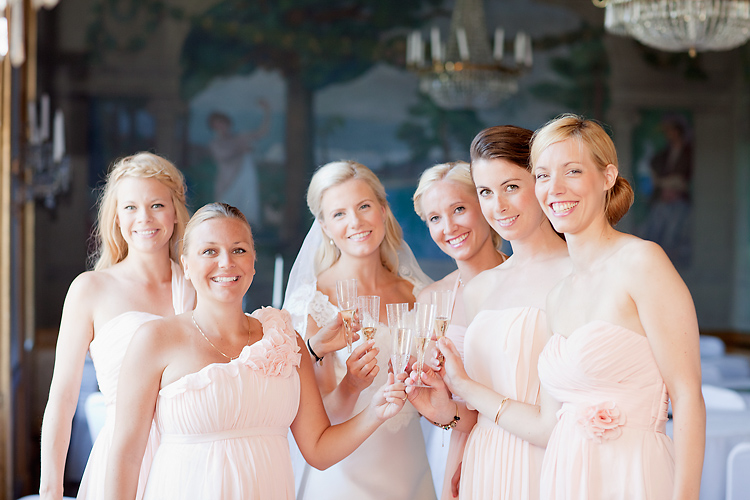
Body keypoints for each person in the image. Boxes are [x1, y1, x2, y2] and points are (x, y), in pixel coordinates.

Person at [105, 203, 409, 499]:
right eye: (209, 251)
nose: (226, 262)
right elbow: (126, 456)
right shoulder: (155, 339)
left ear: (253, 262)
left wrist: (375, 412)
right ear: (186, 264)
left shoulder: (286, 339)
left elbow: (318, 449)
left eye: (238, 250)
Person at [531, 114, 705, 499]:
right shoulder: (556, 295)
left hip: (634, 476)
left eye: (572, 171)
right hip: (566, 478)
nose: (554, 188)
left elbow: (688, 395)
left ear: (607, 177)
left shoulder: (642, 262)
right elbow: (547, 422)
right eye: (542, 175)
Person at [408, 126, 570, 500]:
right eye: (486, 193)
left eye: (511, 186)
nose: (498, 205)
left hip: (545, 461)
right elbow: (476, 408)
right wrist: (441, 408)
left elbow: (558, 417)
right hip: (484, 459)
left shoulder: (575, 274)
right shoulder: (481, 290)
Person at [39, 152, 194, 500]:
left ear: (174, 210)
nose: (144, 218)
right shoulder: (90, 290)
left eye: (156, 205)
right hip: (120, 465)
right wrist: (51, 489)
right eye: (130, 208)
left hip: (190, 459)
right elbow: (62, 398)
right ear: (116, 217)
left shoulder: (199, 286)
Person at [283, 160, 436, 500]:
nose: (355, 222)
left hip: (412, 468)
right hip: (345, 476)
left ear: (383, 210)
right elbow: (316, 420)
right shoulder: (312, 303)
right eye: (339, 214)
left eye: (364, 206)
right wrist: (351, 385)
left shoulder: (418, 291)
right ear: (324, 226)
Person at [411, 160, 507, 499]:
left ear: (485, 205)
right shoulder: (430, 300)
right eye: (435, 218)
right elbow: (438, 406)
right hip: (456, 447)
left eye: (459, 209)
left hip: (522, 442)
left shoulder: (526, 282)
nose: (448, 226)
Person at [207, 98, 271, 227]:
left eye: (222, 123)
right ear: (213, 127)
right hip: (227, 182)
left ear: (227, 123)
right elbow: (223, 157)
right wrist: (241, 150)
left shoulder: (239, 137)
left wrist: (267, 111)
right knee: (226, 214)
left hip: (244, 180)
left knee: (246, 211)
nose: (221, 126)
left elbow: (261, 132)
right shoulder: (215, 143)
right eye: (217, 124)